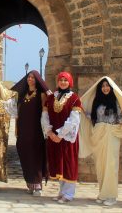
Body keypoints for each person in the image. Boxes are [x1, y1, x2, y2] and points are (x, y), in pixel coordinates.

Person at [79, 76, 122, 206]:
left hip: (111, 134)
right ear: (100, 88)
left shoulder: (115, 102)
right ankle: (102, 193)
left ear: (111, 88)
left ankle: (111, 196)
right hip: (98, 136)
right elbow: (92, 118)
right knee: (101, 166)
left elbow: (119, 119)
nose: (105, 88)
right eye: (103, 86)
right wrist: (82, 110)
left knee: (111, 165)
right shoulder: (96, 102)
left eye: (107, 86)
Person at [41, 71, 81, 203]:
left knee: (68, 164)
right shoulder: (51, 98)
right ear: (58, 82)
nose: (63, 82)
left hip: (67, 137)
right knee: (59, 164)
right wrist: (49, 132)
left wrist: (60, 134)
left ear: (70, 82)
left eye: (65, 80)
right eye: (61, 80)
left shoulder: (74, 98)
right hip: (54, 137)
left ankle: (68, 194)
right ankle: (62, 192)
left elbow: (74, 120)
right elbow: (45, 116)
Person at [11, 70, 50, 196]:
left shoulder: (41, 94)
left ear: (37, 80)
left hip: (36, 130)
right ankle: (29, 181)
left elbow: (45, 112)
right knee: (25, 154)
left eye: (33, 77)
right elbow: (14, 111)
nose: (30, 79)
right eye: (29, 77)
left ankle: (37, 183)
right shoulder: (22, 95)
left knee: (36, 154)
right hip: (23, 130)